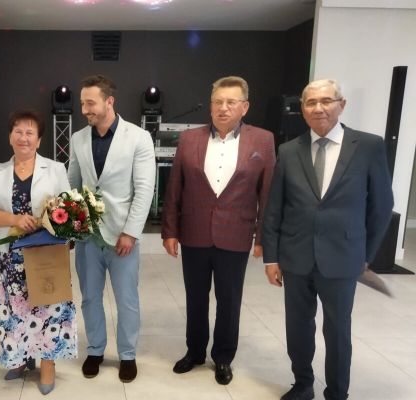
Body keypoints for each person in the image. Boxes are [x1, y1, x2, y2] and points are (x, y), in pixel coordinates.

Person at [261, 79, 394, 400]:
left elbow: (381, 206)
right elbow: (275, 207)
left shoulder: (368, 146)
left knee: (337, 330)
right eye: (310, 102)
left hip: (343, 256)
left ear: (341, 104)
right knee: (298, 326)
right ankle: (302, 384)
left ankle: (337, 392)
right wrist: (271, 257)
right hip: (296, 256)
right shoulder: (288, 151)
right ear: (302, 109)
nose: (318, 108)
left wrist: (365, 254)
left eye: (326, 101)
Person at [161, 76, 275, 384]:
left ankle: (223, 357)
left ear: (244, 107)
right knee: (195, 297)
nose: (223, 108)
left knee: (229, 300)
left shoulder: (263, 140)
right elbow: (175, 188)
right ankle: (195, 351)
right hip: (194, 233)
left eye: (230, 102)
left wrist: (263, 238)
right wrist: (170, 230)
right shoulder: (189, 139)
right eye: (217, 102)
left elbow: (267, 194)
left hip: (236, 235)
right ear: (210, 106)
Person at [68, 74, 155, 383]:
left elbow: (144, 190)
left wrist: (131, 232)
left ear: (109, 101)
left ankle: (127, 354)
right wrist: (71, 227)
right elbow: (73, 184)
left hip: (122, 236)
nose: (84, 110)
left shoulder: (138, 138)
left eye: (90, 103)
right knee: (90, 298)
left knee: (126, 299)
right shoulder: (78, 138)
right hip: (88, 236)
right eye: (82, 103)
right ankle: (95, 349)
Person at [0, 110, 76, 395]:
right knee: (14, 309)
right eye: (18, 131)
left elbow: (68, 210)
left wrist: (54, 223)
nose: (24, 137)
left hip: (45, 253)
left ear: (39, 139)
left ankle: (47, 364)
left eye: (30, 132)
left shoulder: (55, 169)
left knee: (48, 308)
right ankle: (21, 358)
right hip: (10, 255)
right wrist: (15, 219)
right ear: (10, 137)